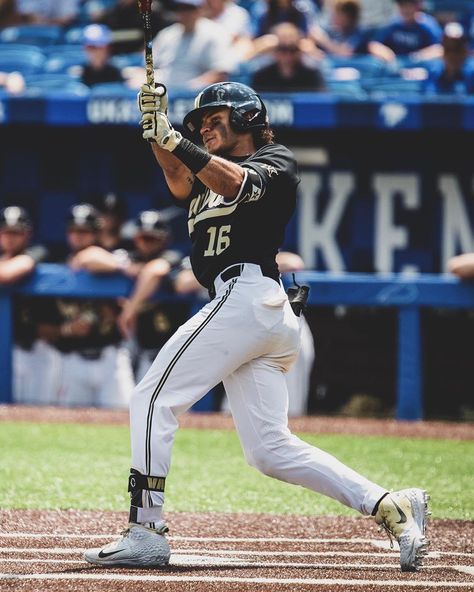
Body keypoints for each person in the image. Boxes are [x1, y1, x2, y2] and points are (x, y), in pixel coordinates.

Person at [84, 80, 430, 572]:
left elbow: (234, 184)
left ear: (247, 116)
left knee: (153, 398)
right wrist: (155, 132)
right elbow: (180, 177)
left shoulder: (277, 160)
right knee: (269, 450)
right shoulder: (203, 173)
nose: (203, 127)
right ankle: (390, 504)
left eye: (214, 118)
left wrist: (172, 135)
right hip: (252, 310)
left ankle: (145, 530)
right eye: (199, 122)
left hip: (247, 295)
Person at [36, 203, 134, 408]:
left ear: (97, 232)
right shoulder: (56, 263)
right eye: (73, 230)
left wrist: (86, 257)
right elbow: (41, 328)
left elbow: (106, 261)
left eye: (84, 231)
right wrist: (67, 329)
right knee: (67, 423)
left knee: (124, 419)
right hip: (70, 359)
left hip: (111, 357)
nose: (78, 236)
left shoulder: (115, 255)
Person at [116, 210, 188, 382]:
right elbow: (89, 258)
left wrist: (129, 310)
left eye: (152, 238)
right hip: (138, 352)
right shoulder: (128, 257)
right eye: (143, 237)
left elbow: (156, 270)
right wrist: (124, 266)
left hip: (172, 356)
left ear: (164, 239)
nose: (146, 243)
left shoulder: (172, 257)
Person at [0, 205, 61, 405]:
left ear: (27, 233)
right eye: (6, 231)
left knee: (40, 410)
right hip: (7, 347)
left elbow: (8, 274)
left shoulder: (37, 251)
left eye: (16, 232)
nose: (10, 237)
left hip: (37, 350)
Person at [151, 0, 235, 90]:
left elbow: (220, 73)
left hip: (195, 94)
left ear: (201, 9)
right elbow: (151, 66)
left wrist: (188, 88)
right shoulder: (167, 34)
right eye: (180, 9)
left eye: (189, 8)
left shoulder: (215, 33)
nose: (184, 13)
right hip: (165, 90)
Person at [251, 22, 326, 92]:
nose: (287, 55)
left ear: (299, 51)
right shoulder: (261, 76)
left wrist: (311, 51)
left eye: (292, 49)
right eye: (282, 49)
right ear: (274, 51)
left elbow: (323, 102)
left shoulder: (312, 75)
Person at [373, 0, 443, 63]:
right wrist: (387, 54)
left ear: (418, 5)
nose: (405, 9)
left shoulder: (428, 25)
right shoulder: (392, 24)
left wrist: (419, 56)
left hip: (420, 65)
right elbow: (375, 44)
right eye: (402, 5)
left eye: (409, 5)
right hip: (396, 64)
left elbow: (439, 49)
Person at [422, 22, 474, 96]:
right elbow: (430, 99)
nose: (452, 55)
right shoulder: (434, 70)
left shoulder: (472, 71)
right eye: (448, 49)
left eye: (457, 49)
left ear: (465, 51)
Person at [78, 24, 124, 88]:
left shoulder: (119, 71)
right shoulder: (78, 73)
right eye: (91, 47)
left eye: (100, 47)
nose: (96, 52)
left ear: (108, 48)